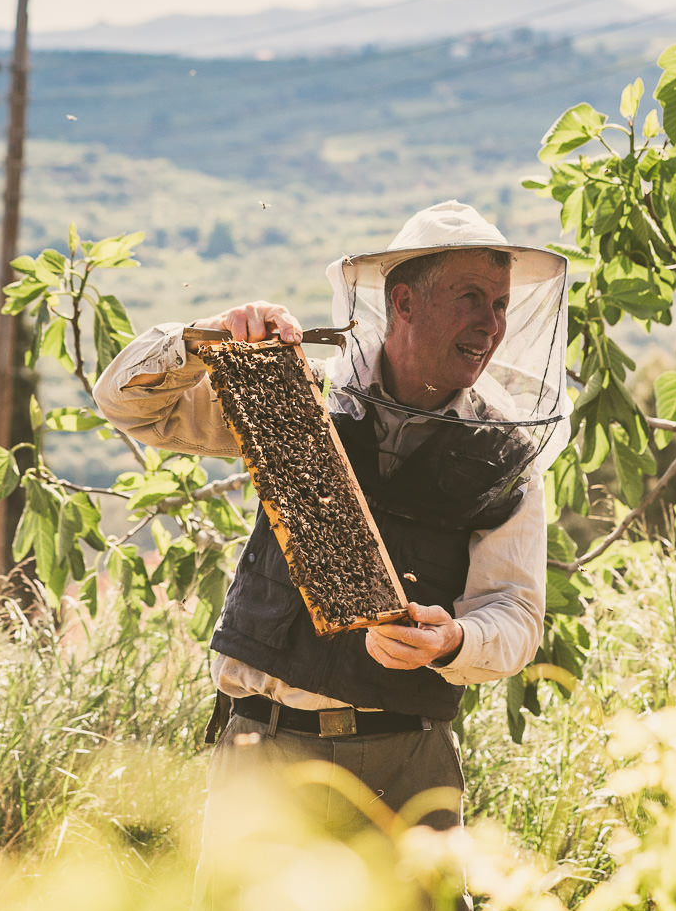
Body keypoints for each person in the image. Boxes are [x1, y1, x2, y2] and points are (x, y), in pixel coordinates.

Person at [93, 200, 569, 862]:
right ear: (403, 302)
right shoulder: (298, 400)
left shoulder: (503, 452)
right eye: (470, 298)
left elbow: (514, 616)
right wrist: (208, 337)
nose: (490, 325)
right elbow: (127, 401)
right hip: (263, 756)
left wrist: (453, 639)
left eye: (500, 305)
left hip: (406, 767)